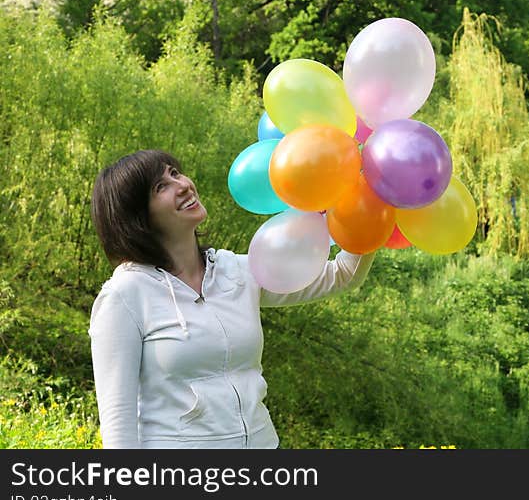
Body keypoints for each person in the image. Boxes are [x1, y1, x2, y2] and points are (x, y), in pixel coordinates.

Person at [88, 149, 375, 449]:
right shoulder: (125, 296)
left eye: (175, 173)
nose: (182, 184)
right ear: (137, 218)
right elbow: (118, 425)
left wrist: (366, 200)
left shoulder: (236, 270)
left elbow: (342, 274)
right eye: (161, 187)